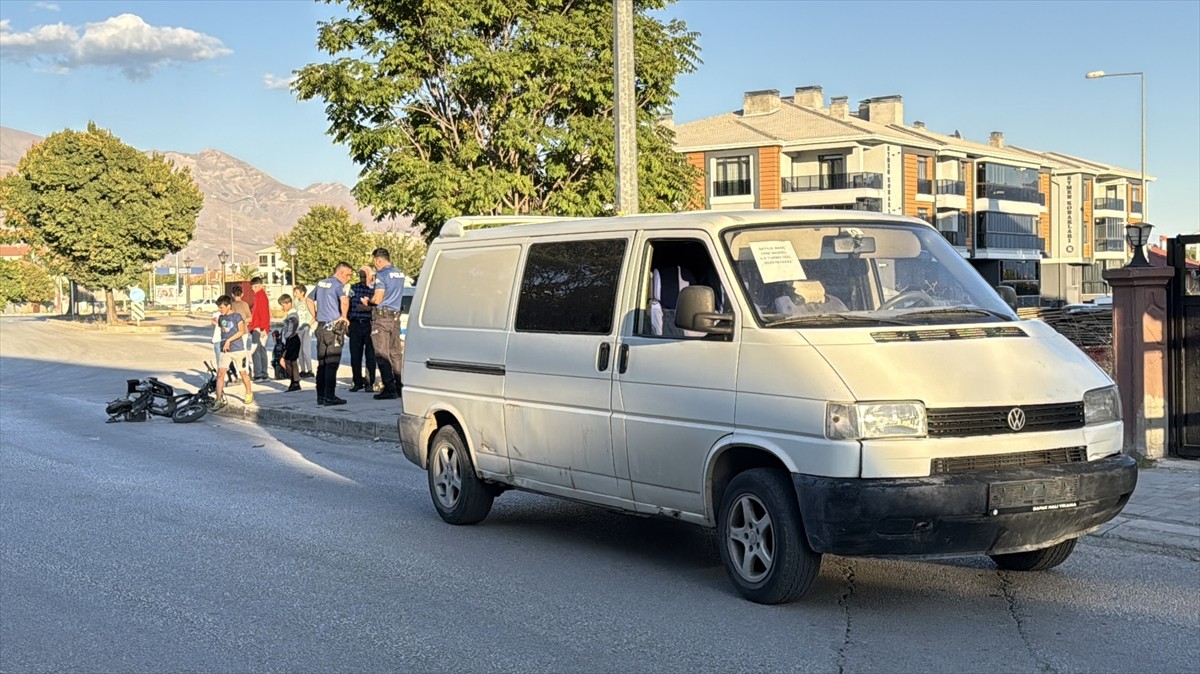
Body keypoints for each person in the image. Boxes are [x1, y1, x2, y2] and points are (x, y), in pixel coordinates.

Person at [307, 262, 353, 406]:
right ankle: (329, 396)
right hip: (334, 328)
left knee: (322, 363)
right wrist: (344, 316)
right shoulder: (338, 285)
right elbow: (344, 300)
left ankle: (320, 396)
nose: (349, 278)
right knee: (332, 363)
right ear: (340, 272)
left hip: (321, 327)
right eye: (348, 275)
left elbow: (309, 299)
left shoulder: (321, 283)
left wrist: (315, 315)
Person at [368, 247, 406, 400]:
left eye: (374, 261)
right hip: (395, 317)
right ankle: (399, 386)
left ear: (378, 260)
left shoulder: (382, 274)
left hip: (382, 318)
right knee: (395, 353)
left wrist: (368, 301)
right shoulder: (399, 273)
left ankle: (389, 388)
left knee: (382, 353)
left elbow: (377, 298)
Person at [213, 294, 254, 409]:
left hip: (238, 349)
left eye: (221, 307)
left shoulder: (237, 316)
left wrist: (229, 340)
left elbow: (241, 331)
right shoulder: (221, 318)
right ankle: (218, 399)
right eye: (219, 307)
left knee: (243, 372)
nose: (220, 310)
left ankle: (249, 393)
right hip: (225, 350)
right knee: (220, 374)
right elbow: (223, 331)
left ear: (228, 306)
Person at [348, 266, 378, 393]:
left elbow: (379, 307)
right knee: (355, 355)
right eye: (360, 276)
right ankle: (357, 382)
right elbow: (348, 304)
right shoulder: (354, 288)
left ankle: (369, 382)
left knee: (370, 356)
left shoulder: (376, 289)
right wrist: (348, 323)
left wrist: (367, 308)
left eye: (365, 277)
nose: (362, 279)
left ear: (371, 276)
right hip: (355, 324)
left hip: (369, 324)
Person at [247, 277, 272, 381]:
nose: (254, 289)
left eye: (256, 286)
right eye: (253, 287)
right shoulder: (260, 296)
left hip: (258, 327)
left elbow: (264, 314)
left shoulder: (260, 297)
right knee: (261, 350)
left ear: (261, 285)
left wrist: (262, 328)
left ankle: (258, 374)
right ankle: (264, 374)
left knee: (256, 351)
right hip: (260, 327)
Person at [277, 294, 302, 392]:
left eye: (283, 305)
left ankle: (295, 381)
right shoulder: (289, 314)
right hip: (289, 339)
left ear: (289, 303)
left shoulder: (292, 314)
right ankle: (294, 380)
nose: (282, 307)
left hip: (293, 339)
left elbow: (294, 321)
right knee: (288, 361)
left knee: (291, 361)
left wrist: (292, 333)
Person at [229, 284, 253, 379]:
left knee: (235, 352)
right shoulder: (245, 304)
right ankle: (246, 370)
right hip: (244, 331)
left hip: (234, 332)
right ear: (242, 294)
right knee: (244, 351)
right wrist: (243, 321)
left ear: (232, 294)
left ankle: (239, 373)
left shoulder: (231, 305)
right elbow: (250, 318)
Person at [292, 284, 316, 378]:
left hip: (306, 327)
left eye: (297, 292)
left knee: (306, 350)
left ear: (302, 293)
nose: (295, 294)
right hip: (298, 328)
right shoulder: (296, 302)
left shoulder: (308, 301)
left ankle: (310, 370)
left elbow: (315, 315)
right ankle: (302, 369)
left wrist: (309, 325)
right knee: (299, 350)